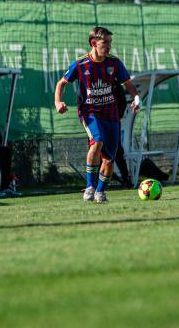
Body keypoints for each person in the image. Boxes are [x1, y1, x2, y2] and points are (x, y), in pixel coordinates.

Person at [54, 26, 141, 203]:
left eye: (110, 42)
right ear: (93, 43)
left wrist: (136, 97)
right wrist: (58, 102)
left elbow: (129, 84)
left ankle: (100, 192)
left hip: (111, 114)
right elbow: (61, 83)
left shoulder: (114, 63)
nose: (109, 46)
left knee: (109, 160)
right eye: (105, 43)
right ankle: (89, 187)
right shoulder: (80, 64)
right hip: (90, 112)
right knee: (97, 141)